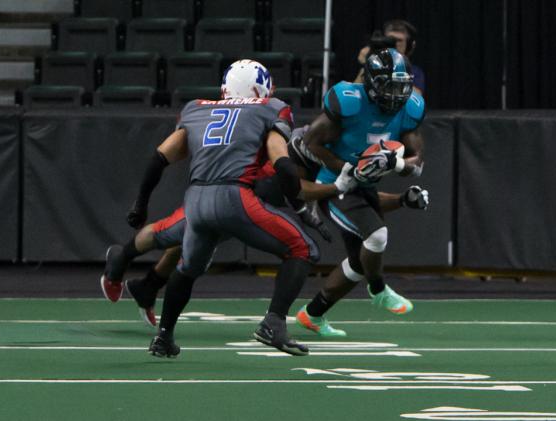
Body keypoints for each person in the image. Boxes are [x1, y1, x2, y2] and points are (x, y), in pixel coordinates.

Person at [103, 59, 362, 358]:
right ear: (258, 88)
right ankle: (273, 323)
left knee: (187, 268)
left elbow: (159, 158)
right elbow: (284, 167)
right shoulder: (269, 108)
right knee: (304, 250)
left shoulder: (197, 108)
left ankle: (164, 337)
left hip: (197, 199)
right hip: (235, 197)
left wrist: (141, 202)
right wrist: (303, 210)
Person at [293, 47, 427, 337]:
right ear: (371, 83)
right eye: (389, 86)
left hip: (364, 186)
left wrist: (398, 163)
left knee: (358, 262)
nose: (396, 94)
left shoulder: (410, 107)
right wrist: (344, 169)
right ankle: (378, 289)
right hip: (335, 185)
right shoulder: (348, 102)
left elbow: (416, 163)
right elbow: (310, 143)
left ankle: (312, 315)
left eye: (401, 87)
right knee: (377, 236)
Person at [355, 19, 425, 95]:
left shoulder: (414, 71)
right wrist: (366, 65)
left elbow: (416, 98)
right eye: (390, 40)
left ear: (409, 46)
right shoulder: (373, 65)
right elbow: (355, 92)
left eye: (399, 40)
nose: (394, 44)